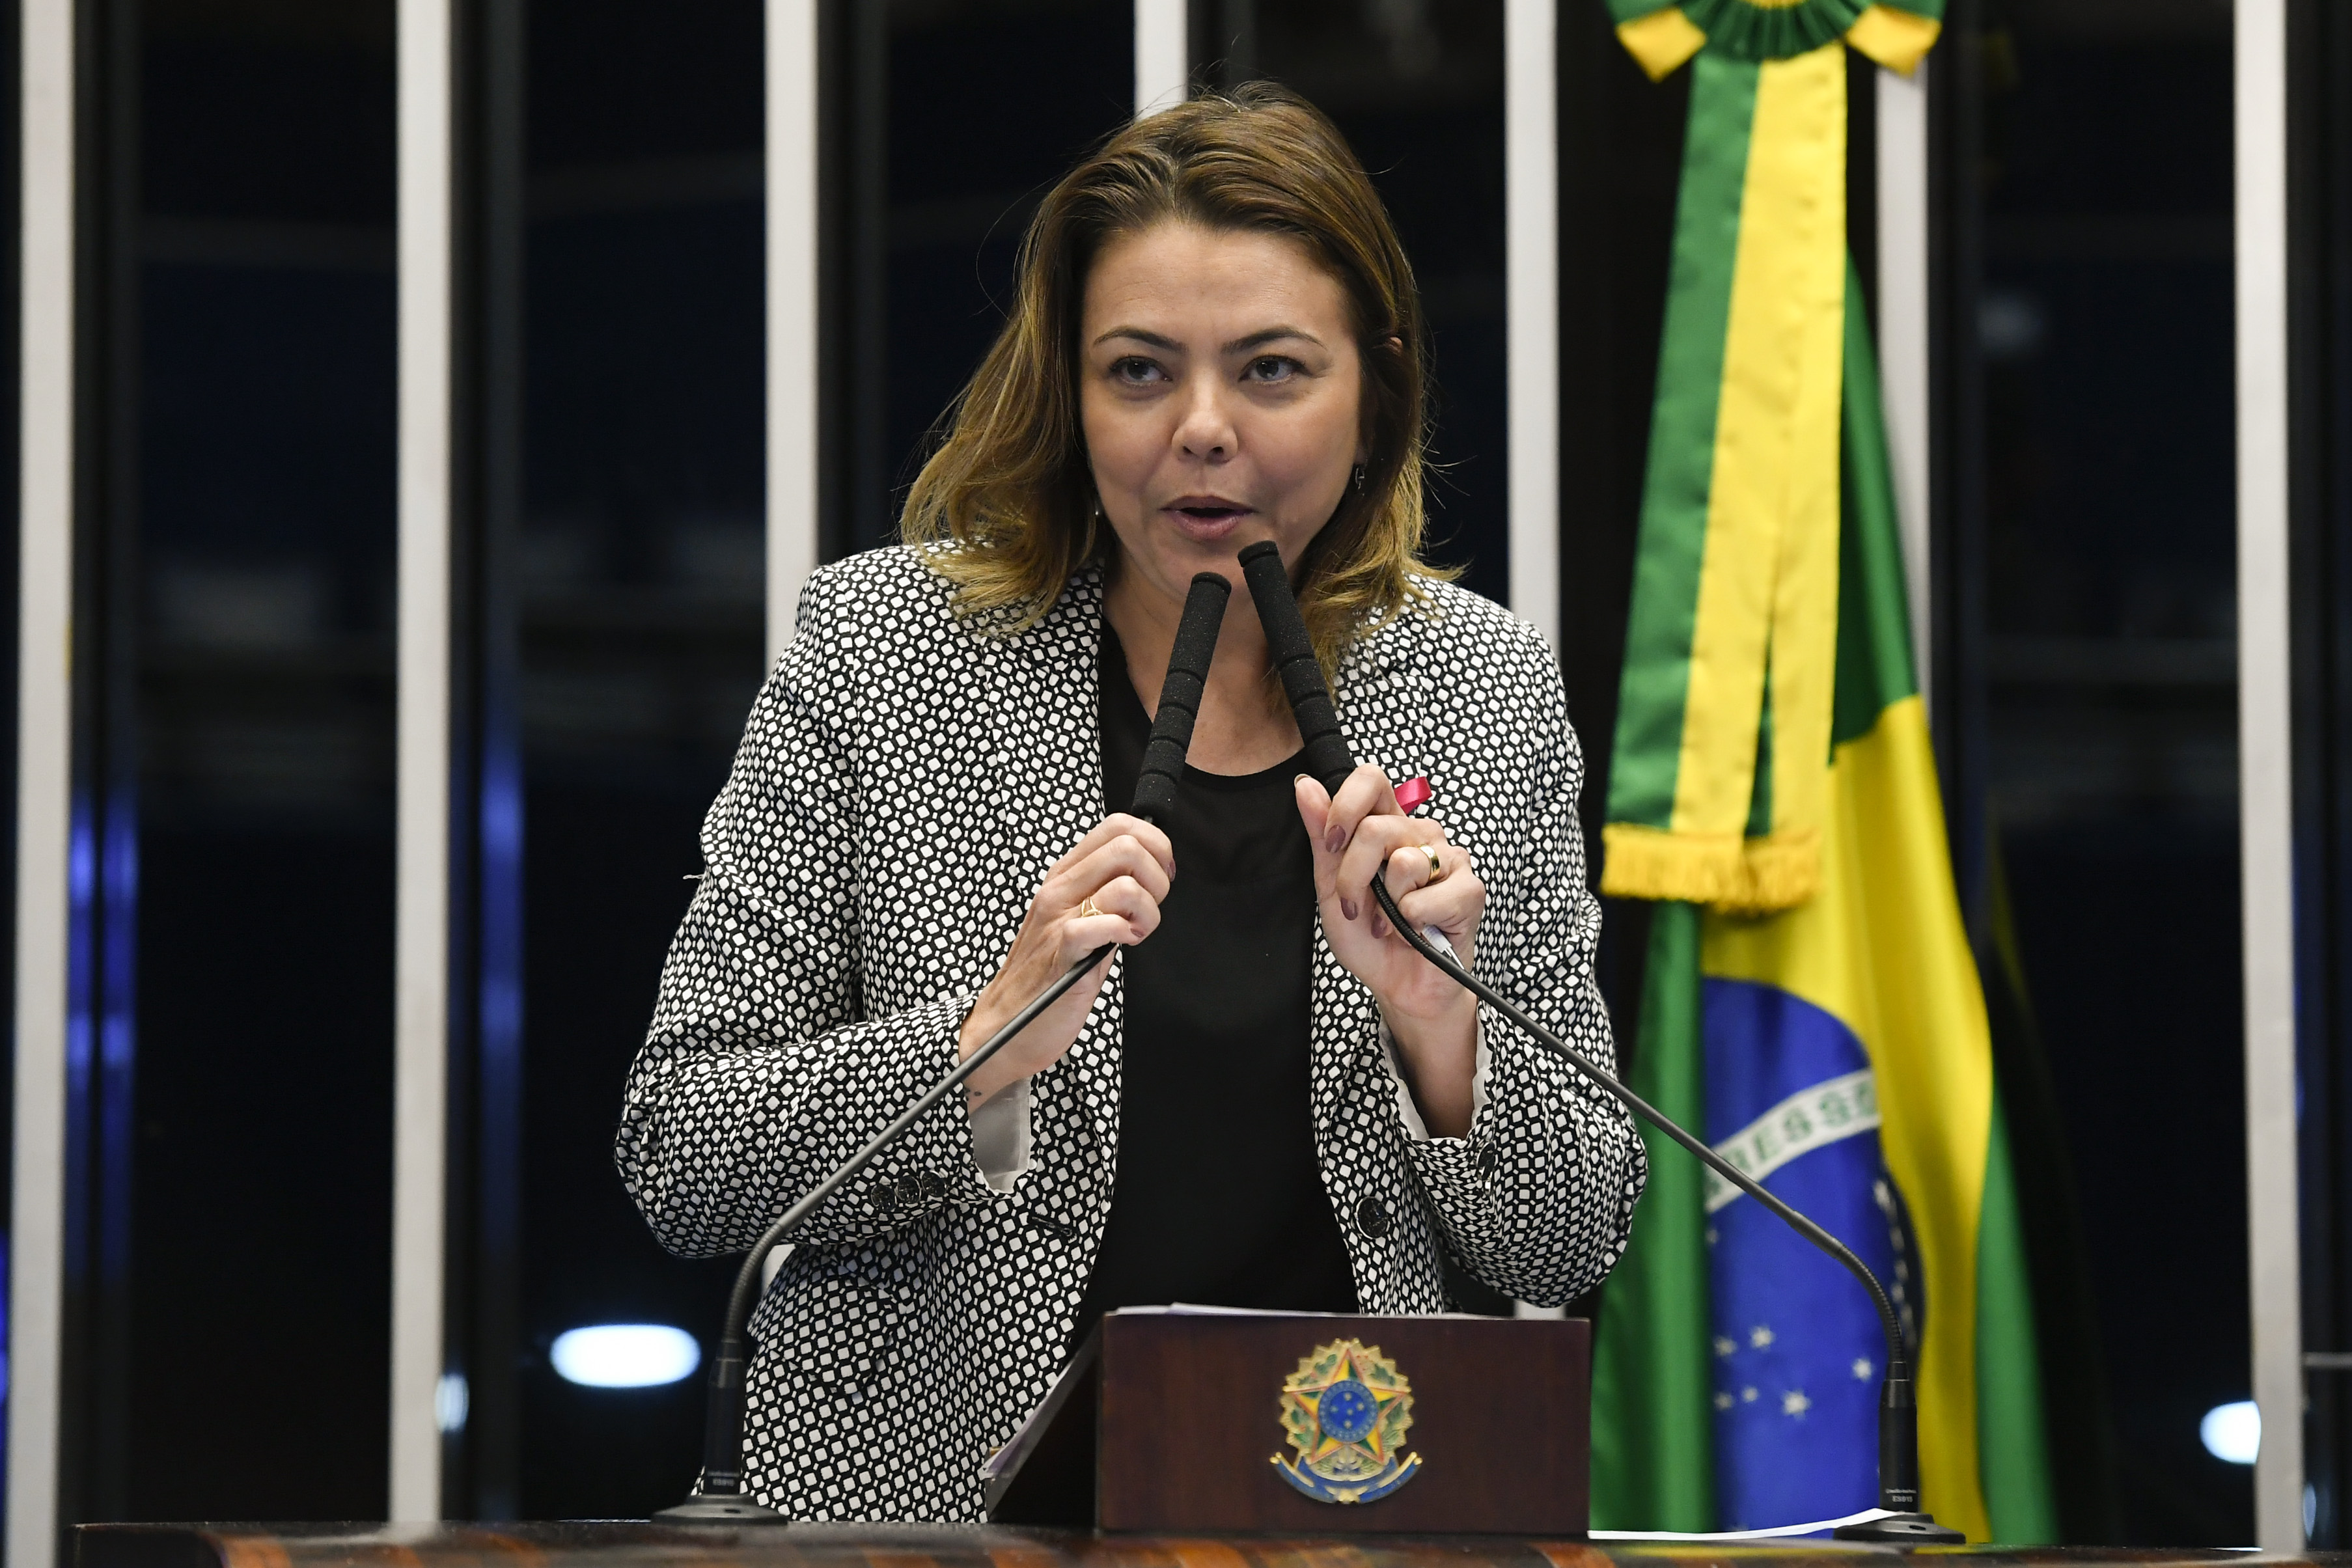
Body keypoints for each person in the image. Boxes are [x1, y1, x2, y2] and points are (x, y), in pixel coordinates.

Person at [616, 83, 1645, 1524]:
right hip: (929, 1530)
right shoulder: (879, 651)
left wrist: (1445, 1037)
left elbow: (1572, 1232)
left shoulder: (1478, 683)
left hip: (1351, 1523)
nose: (1204, 431)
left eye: (1274, 371)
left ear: (1378, 388)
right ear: (1070, 388)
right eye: (1141, 371)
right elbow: (682, 1152)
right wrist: (977, 1046)